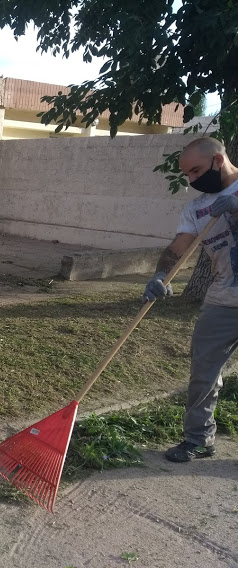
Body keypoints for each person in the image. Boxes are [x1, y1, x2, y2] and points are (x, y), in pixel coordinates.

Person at [142, 137, 238, 462]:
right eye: (187, 175)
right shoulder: (196, 209)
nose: (192, 180)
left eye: (196, 171)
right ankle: (199, 439)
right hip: (223, 300)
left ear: (218, 160)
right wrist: (160, 275)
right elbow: (177, 249)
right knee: (203, 375)